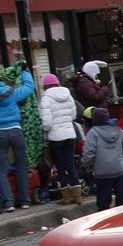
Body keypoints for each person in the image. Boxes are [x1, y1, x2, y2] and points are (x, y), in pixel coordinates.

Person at [0, 61, 36, 212]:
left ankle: (8, 202)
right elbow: (30, 87)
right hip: (15, 130)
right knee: (21, 165)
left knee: (2, 169)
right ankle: (24, 200)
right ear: (2, 78)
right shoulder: (12, 93)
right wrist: (24, 72)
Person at [39, 73, 82, 205]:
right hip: (69, 134)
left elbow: (47, 123)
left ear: (45, 86)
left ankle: (66, 195)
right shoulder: (68, 95)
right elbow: (73, 115)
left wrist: (44, 129)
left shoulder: (46, 99)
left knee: (60, 165)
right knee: (70, 163)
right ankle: (77, 196)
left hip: (55, 137)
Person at [82, 107, 123, 210]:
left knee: (103, 198)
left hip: (102, 171)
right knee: (121, 195)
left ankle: (105, 215)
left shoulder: (93, 132)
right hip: (118, 168)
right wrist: (119, 154)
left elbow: (88, 152)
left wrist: (88, 166)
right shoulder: (118, 130)